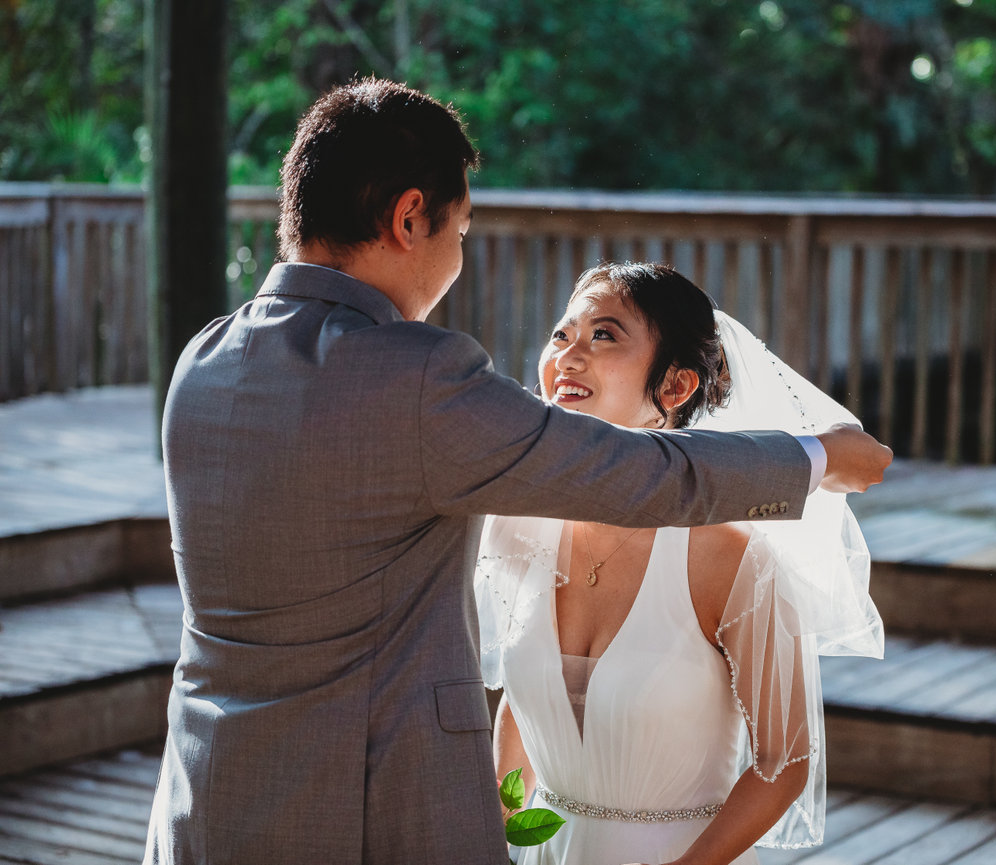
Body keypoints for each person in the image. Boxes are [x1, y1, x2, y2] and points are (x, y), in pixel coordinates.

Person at [144, 77, 891, 865]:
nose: (458, 256)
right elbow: (632, 472)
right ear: (408, 218)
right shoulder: (417, 377)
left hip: (204, 796)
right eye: (458, 231)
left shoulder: (203, 360)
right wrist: (816, 456)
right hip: (364, 814)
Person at [478, 263, 887, 865]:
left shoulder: (731, 557)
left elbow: (785, 761)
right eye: (563, 335)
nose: (568, 357)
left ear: (675, 388)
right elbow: (525, 699)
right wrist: (499, 834)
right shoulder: (519, 523)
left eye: (605, 336)